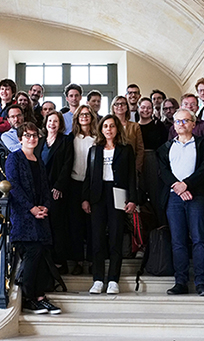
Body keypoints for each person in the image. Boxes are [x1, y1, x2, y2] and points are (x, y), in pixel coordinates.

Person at [5, 122, 61, 314]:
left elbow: (45, 187)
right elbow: (13, 186)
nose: (31, 138)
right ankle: (30, 297)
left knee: (40, 253)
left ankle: (39, 297)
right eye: (27, 135)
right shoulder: (14, 158)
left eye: (34, 135)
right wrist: (32, 209)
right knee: (33, 253)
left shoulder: (39, 160)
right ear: (20, 138)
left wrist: (45, 206)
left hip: (40, 214)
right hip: (23, 216)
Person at [157, 108, 204, 296]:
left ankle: (201, 283)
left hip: (197, 197)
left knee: (199, 240)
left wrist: (186, 185)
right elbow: (162, 171)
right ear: (174, 125)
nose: (181, 124)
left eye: (185, 121)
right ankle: (180, 282)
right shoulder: (166, 147)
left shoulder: (203, 144)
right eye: (178, 121)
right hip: (174, 198)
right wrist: (177, 186)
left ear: (193, 124)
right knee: (178, 241)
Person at [83, 114, 137, 294]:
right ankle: (98, 279)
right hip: (98, 195)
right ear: (101, 129)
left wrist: (132, 199)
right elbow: (88, 176)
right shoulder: (94, 150)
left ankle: (113, 279)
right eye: (105, 126)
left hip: (118, 194)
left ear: (117, 128)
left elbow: (131, 176)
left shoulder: (126, 149)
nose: (108, 129)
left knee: (116, 237)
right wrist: (85, 198)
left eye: (112, 126)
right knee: (97, 238)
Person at [36, 110, 73, 275]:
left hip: (56, 189)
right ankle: (46, 261)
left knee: (57, 225)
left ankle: (59, 261)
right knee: (42, 224)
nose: (52, 124)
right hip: (40, 190)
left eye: (56, 121)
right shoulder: (39, 141)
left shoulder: (65, 141)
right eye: (50, 121)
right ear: (45, 123)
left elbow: (67, 165)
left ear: (60, 125)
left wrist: (59, 186)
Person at [68, 104, 99, 275]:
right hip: (75, 183)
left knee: (92, 225)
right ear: (77, 118)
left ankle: (94, 261)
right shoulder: (71, 137)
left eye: (87, 114)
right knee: (76, 224)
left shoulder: (98, 138)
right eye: (81, 115)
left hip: (93, 184)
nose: (84, 117)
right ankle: (78, 261)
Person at [138, 97, 168, 227]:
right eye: (143, 107)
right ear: (138, 108)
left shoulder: (159, 125)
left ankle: (162, 229)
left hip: (154, 161)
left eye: (149, 107)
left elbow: (163, 145)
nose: (146, 110)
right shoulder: (134, 126)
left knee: (156, 196)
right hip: (138, 161)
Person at [111, 95, 144, 173]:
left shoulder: (135, 126)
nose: (120, 106)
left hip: (130, 165)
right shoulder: (108, 125)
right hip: (111, 164)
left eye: (123, 103)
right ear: (113, 107)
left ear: (127, 107)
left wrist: (136, 168)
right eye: (117, 104)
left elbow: (140, 149)